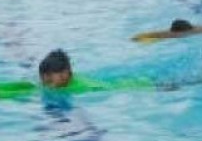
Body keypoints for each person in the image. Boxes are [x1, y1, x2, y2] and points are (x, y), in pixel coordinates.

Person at [0, 49, 154, 99]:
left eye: (49, 77)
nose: (45, 80)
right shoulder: (49, 81)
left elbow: (28, 93)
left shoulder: (82, 87)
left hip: (134, 85)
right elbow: (28, 86)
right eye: (44, 77)